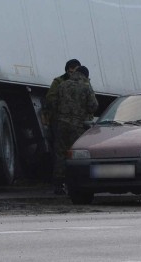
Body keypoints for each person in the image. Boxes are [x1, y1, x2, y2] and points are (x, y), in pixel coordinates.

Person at [50, 64, 98, 194]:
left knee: (60, 153)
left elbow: (54, 103)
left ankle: (58, 185)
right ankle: (75, 182)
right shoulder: (86, 87)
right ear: (86, 76)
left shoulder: (62, 85)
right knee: (77, 154)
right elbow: (93, 106)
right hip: (78, 126)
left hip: (62, 124)